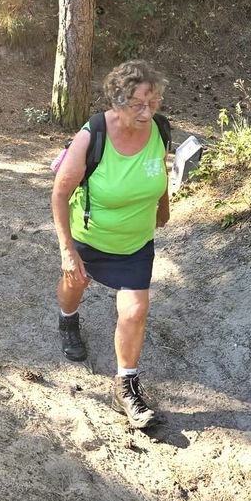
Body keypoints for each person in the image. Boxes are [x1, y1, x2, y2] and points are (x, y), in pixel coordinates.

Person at [51, 60, 172, 429]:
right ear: (118, 102)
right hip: (89, 236)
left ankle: (126, 386)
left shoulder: (160, 130)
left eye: (153, 103)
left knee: (134, 311)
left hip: (136, 242)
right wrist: (67, 250)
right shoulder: (93, 135)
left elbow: (161, 172)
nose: (147, 112)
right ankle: (67, 320)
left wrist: (163, 211)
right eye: (138, 105)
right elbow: (60, 193)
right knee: (75, 284)